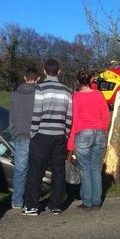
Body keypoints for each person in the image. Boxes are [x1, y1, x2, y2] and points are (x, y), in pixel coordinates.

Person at [22, 59, 72, 216]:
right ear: (59, 71)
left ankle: (32, 205)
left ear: (44, 72)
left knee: (36, 171)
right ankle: (56, 205)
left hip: (42, 134)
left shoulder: (40, 89)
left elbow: (36, 113)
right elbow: (69, 116)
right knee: (58, 170)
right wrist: (66, 133)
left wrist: (33, 132)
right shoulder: (67, 91)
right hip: (59, 135)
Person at [67, 69, 110, 210]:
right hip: (99, 134)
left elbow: (75, 120)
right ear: (91, 80)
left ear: (79, 81)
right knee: (96, 169)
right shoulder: (99, 95)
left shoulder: (76, 96)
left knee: (85, 170)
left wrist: (70, 144)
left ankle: (87, 202)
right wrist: (102, 129)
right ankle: (97, 201)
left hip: (83, 134)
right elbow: (106, 116)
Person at [9, 67, 40, 209]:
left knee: (20, 170)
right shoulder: (40, 93)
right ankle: (32, 199)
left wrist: (13, 132)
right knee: (35, 170)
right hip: (36, 135)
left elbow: (12, 117)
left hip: (20, 135)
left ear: (24, 77)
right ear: (38, 78)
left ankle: (17, 200)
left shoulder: (15, 94)